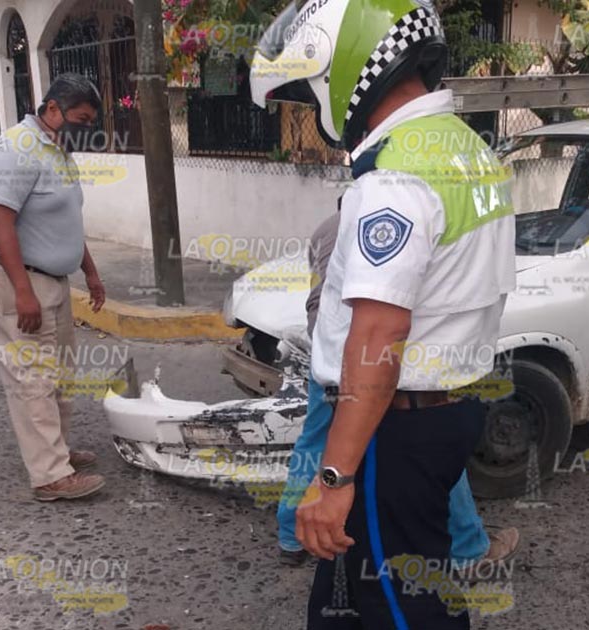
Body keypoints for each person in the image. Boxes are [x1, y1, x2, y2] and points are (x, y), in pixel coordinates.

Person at [250, 2, 516, 627]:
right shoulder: (468, 150)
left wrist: (335, 477)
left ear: (345, 63)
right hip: (440, 412)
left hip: (389, 432)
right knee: (346, 600)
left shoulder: (394, 179)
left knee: (403, 609)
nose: (317, 106)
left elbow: (379, 333)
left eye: (312, 85)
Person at [276, 208, 518, 569]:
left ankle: (292, 535)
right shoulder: (405, 226)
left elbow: (322, 292)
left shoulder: (326, 227)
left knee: (314, 442)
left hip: (325, 356)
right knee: (434, 452)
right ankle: (468, 548)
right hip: (375, 361)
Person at [0, 73, 108, 502]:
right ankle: (49, 475)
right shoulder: (16, 148)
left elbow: (64, 218)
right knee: (33, 376)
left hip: (53, 280)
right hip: (19, 280)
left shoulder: (56, 151)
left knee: (60, 374)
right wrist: (22, 292)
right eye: (80, 119)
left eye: (89, 122)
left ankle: (57, 452)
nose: (84, 128)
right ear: (52, 109)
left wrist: (89, 270)